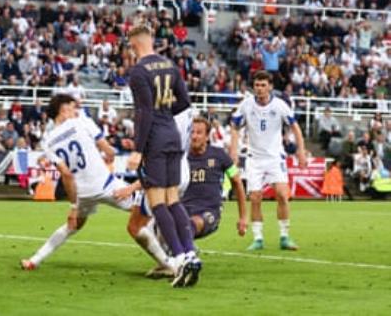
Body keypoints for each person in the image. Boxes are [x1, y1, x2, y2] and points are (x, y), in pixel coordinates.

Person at [118, 117, 247, 279]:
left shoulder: (219, 155)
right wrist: (130, 188)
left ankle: (184, 254)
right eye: (192, 132)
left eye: (199, 133)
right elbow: (155, 176)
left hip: (208, 212)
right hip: (181, 208)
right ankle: (171, 261)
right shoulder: (179, 158)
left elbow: (237, 181)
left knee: (190, 223)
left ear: (207, 136)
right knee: (151, 226)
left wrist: (243, 217)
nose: (194, 136)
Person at [20, 94, 134, 270]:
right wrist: (113, 152)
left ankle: (34, 260)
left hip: (83, 194)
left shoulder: (47, 141)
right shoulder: (82, 121)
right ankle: (171, 257)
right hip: (106, 185)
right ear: (63, 109)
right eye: (73, 107)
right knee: (147, 209)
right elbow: (108, 150)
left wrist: (74, 205)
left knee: (72, 226)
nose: (76, 111)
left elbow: (66, 173)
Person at [125, 24, 200, 287]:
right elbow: (184, 102)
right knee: (173, 200)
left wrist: (138, 149)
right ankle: (190, 252)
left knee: (158, 203)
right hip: (173, 136)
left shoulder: (138, 71)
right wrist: (164, 110)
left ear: (134, 44)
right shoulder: (170, 66)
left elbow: (144, 112)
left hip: (155, 140)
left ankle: (179, 260)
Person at [229, 70, 307, 251]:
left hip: (275, 157)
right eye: (257, 85)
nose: (260, 89)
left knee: (281, 194)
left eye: (263, 85)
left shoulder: (279, 106)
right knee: (255, 197)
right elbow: (234, 127)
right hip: (254, 158)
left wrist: (300, 151)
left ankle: (284, 236)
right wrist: (233, 150)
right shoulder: (246, 105)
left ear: (270, 87)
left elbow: (295, 127)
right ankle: (258, 238)